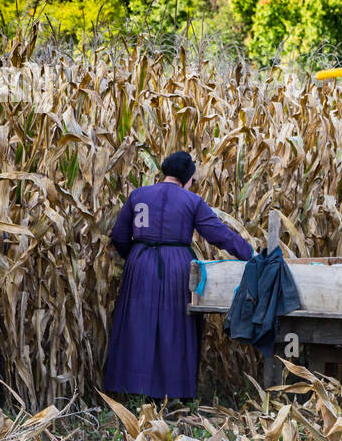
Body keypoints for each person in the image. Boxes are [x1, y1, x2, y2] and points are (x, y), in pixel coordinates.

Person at [104, 151, 253, 400]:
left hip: (139, 264)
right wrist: (250, 254)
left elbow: (119, 235)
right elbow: (219, 234)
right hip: (177, 266)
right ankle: (172, 392)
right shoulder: (192, 201)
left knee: (136, 323)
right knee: (174, 325)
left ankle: (130, 389)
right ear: (187, 178)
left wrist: (137, 258)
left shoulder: (138, 195)